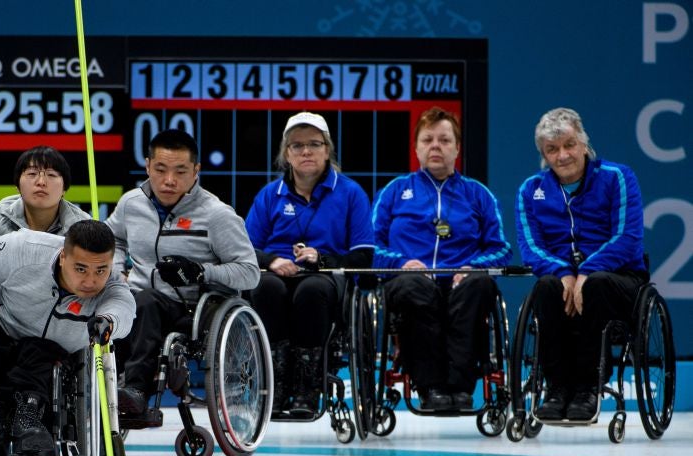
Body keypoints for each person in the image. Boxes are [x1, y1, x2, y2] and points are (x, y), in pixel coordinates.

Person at [0, 220, 135, 455]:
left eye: (101, 270)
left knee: (41, 351)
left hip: (48, 355)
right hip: (1, 323)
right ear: (63, 258)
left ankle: (28, 418)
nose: (91, 281)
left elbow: (123, 308)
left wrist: (108, 323)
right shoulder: (22, 248)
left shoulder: (112, 286)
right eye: (81, 269)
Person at [106, 129, 260, 415]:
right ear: (148, 166)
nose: (169, 180)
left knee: (147, 302)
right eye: (161, 170)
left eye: (180, 171)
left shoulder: (217, 214)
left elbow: (249, 272)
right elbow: (112, 239)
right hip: (134, 298)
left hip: (190, 309)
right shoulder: (131, 203)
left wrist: (202, 272)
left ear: (196, 171)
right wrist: (116, 273)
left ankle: (136, 389)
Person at [372, 106, 512, 411]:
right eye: (428, 139)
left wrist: (472, 267)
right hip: (410, 282)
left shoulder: (479, 194)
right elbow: (370, 246)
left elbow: (501, 249)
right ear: (417, 147)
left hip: (463, 283)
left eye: (445, 140)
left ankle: (461, 388)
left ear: (457, 148)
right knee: (414, 288)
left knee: (478, 286)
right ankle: (431, 386)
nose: (436, 146)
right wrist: (401, 263)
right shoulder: (395, 191)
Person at [515, 107, 648, 421]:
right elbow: (531, 249)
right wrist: (564, 274)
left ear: (584, 144)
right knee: (545, 287)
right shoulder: (530, 190)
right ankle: (557, 389)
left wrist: (586, 272)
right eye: (552, 149)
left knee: (598, 284)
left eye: (569, 145)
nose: (562, 155)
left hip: (618, 279)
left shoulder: (618, 177)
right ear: (544, 155)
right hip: (561, 280)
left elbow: (627, 238)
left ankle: (588, 387)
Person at [245, 112, 374, 417]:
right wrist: (273, 260)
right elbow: (245, 248)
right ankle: (272, 385)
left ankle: (306, 387)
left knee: (311, 290)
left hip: (325, 278)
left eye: (314, 144)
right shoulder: (269, 196)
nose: (306, 151)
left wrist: (322, 259)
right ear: (286, 154)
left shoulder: (351, 193)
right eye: (297, 146)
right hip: (276, 273)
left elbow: (364, 256)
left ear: (327, 150)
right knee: (265, 286)